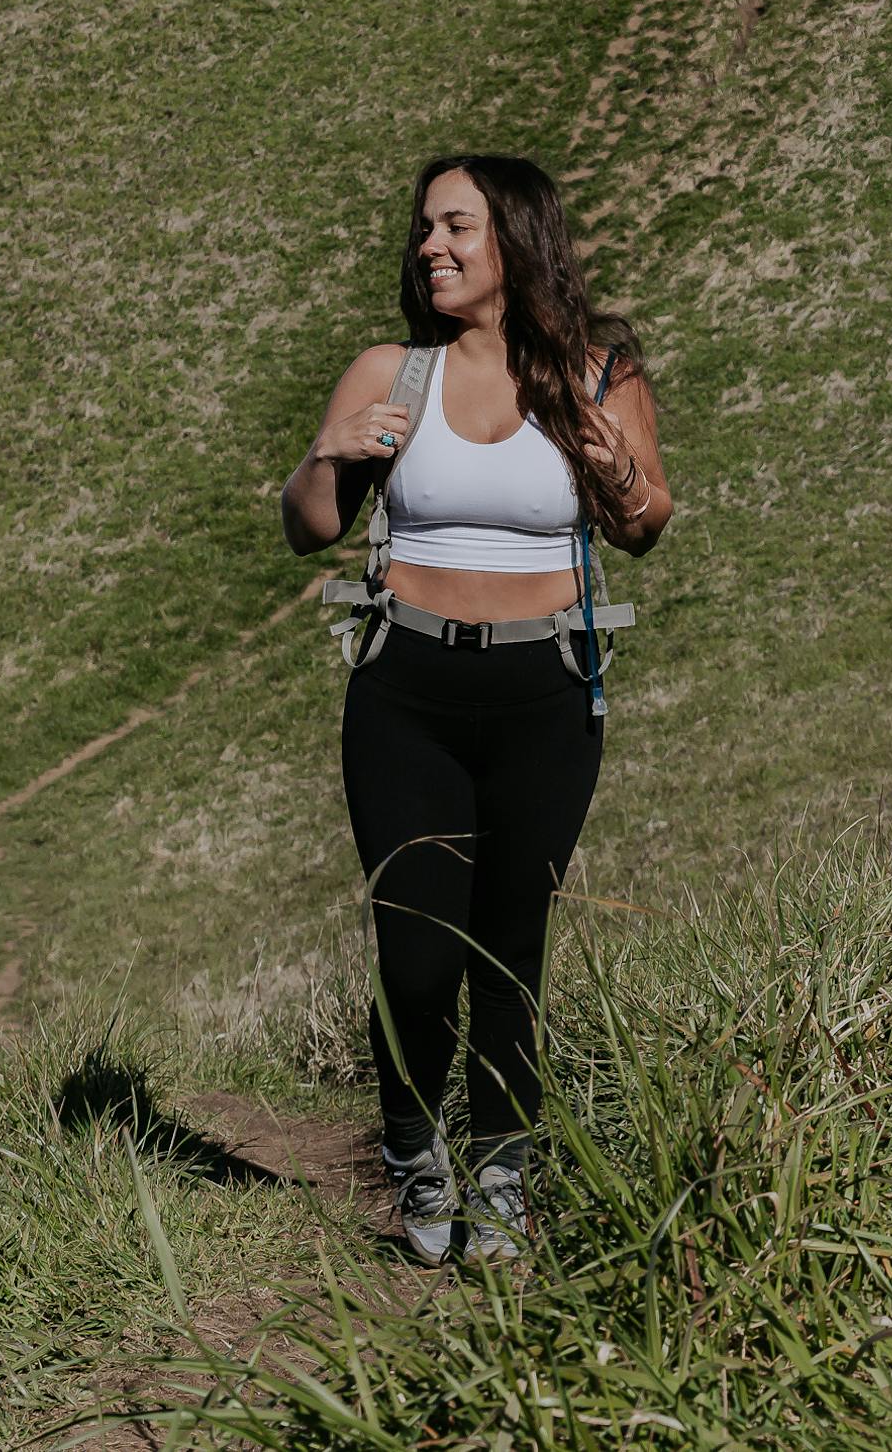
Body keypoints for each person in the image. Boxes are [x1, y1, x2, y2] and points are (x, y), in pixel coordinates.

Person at [280, 152, 671, 1261]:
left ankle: (500, 1170)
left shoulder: (600, 376)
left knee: (509, 948)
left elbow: (645, 523)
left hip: (549, 687)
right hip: (406, 687)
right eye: (423, 229)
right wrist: (326, 454)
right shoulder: (387, 373)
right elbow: (307, 526)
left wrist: (615, 471)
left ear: (517, 239)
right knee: (415, 950)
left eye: (455, 226)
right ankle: (413, 1147)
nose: (430, 246)